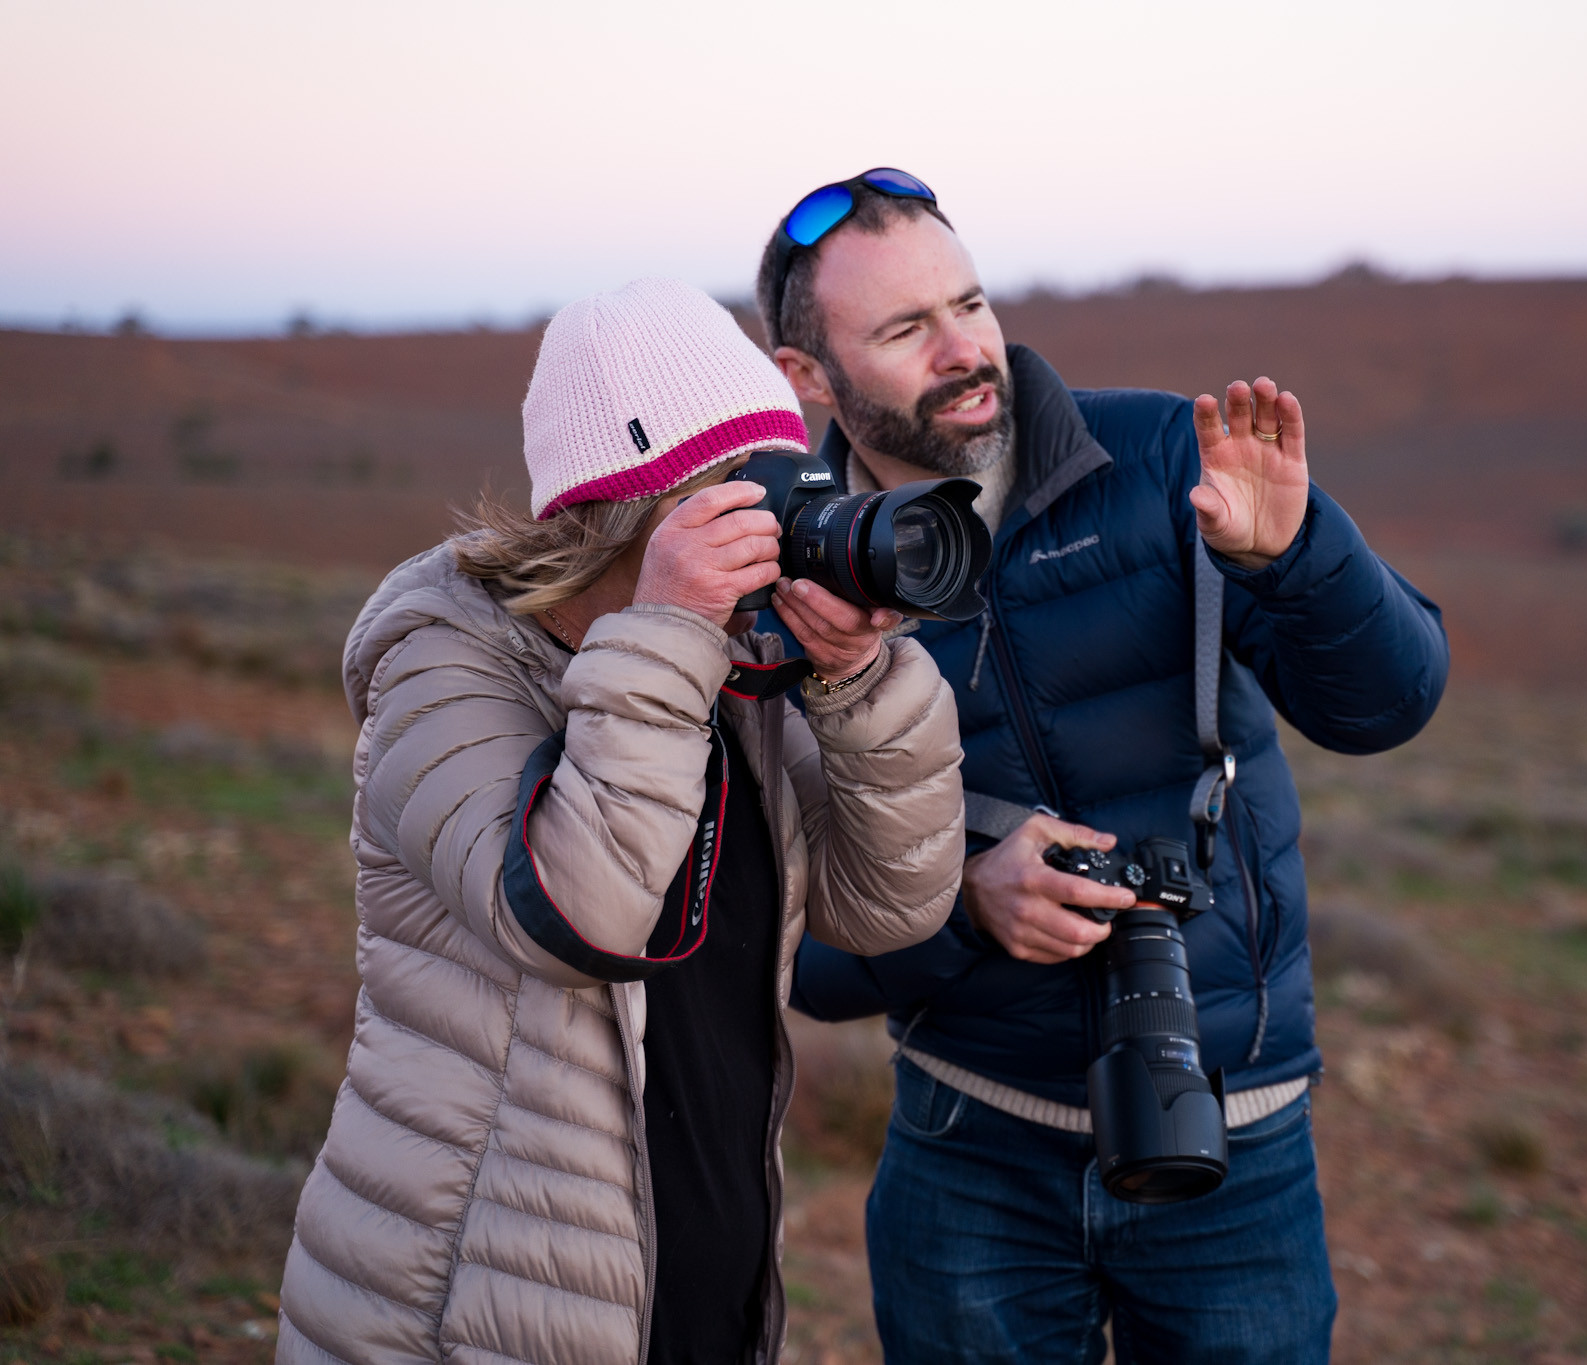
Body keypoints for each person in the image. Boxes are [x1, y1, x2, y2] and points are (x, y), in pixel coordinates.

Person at [757, 172, 1449, 1364]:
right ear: (806, 377)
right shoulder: (797, 578)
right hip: (967, 1141)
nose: (964, 348)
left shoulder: (1166, 459)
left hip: (1234, 1125)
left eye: (967, 302)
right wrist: (963, 904)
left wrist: (1297, 556)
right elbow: (801, 961)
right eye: (903, 329)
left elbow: (1388, 705)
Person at [276, 278, 966, 1365]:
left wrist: (853, 677)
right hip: (479, 1306)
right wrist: (670, 629)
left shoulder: (735, 659)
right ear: (633, 513)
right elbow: (578, 910)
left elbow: (889, 906)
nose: (777, 523)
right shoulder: (446, 659)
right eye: (741, 496)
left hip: (701, 1285)